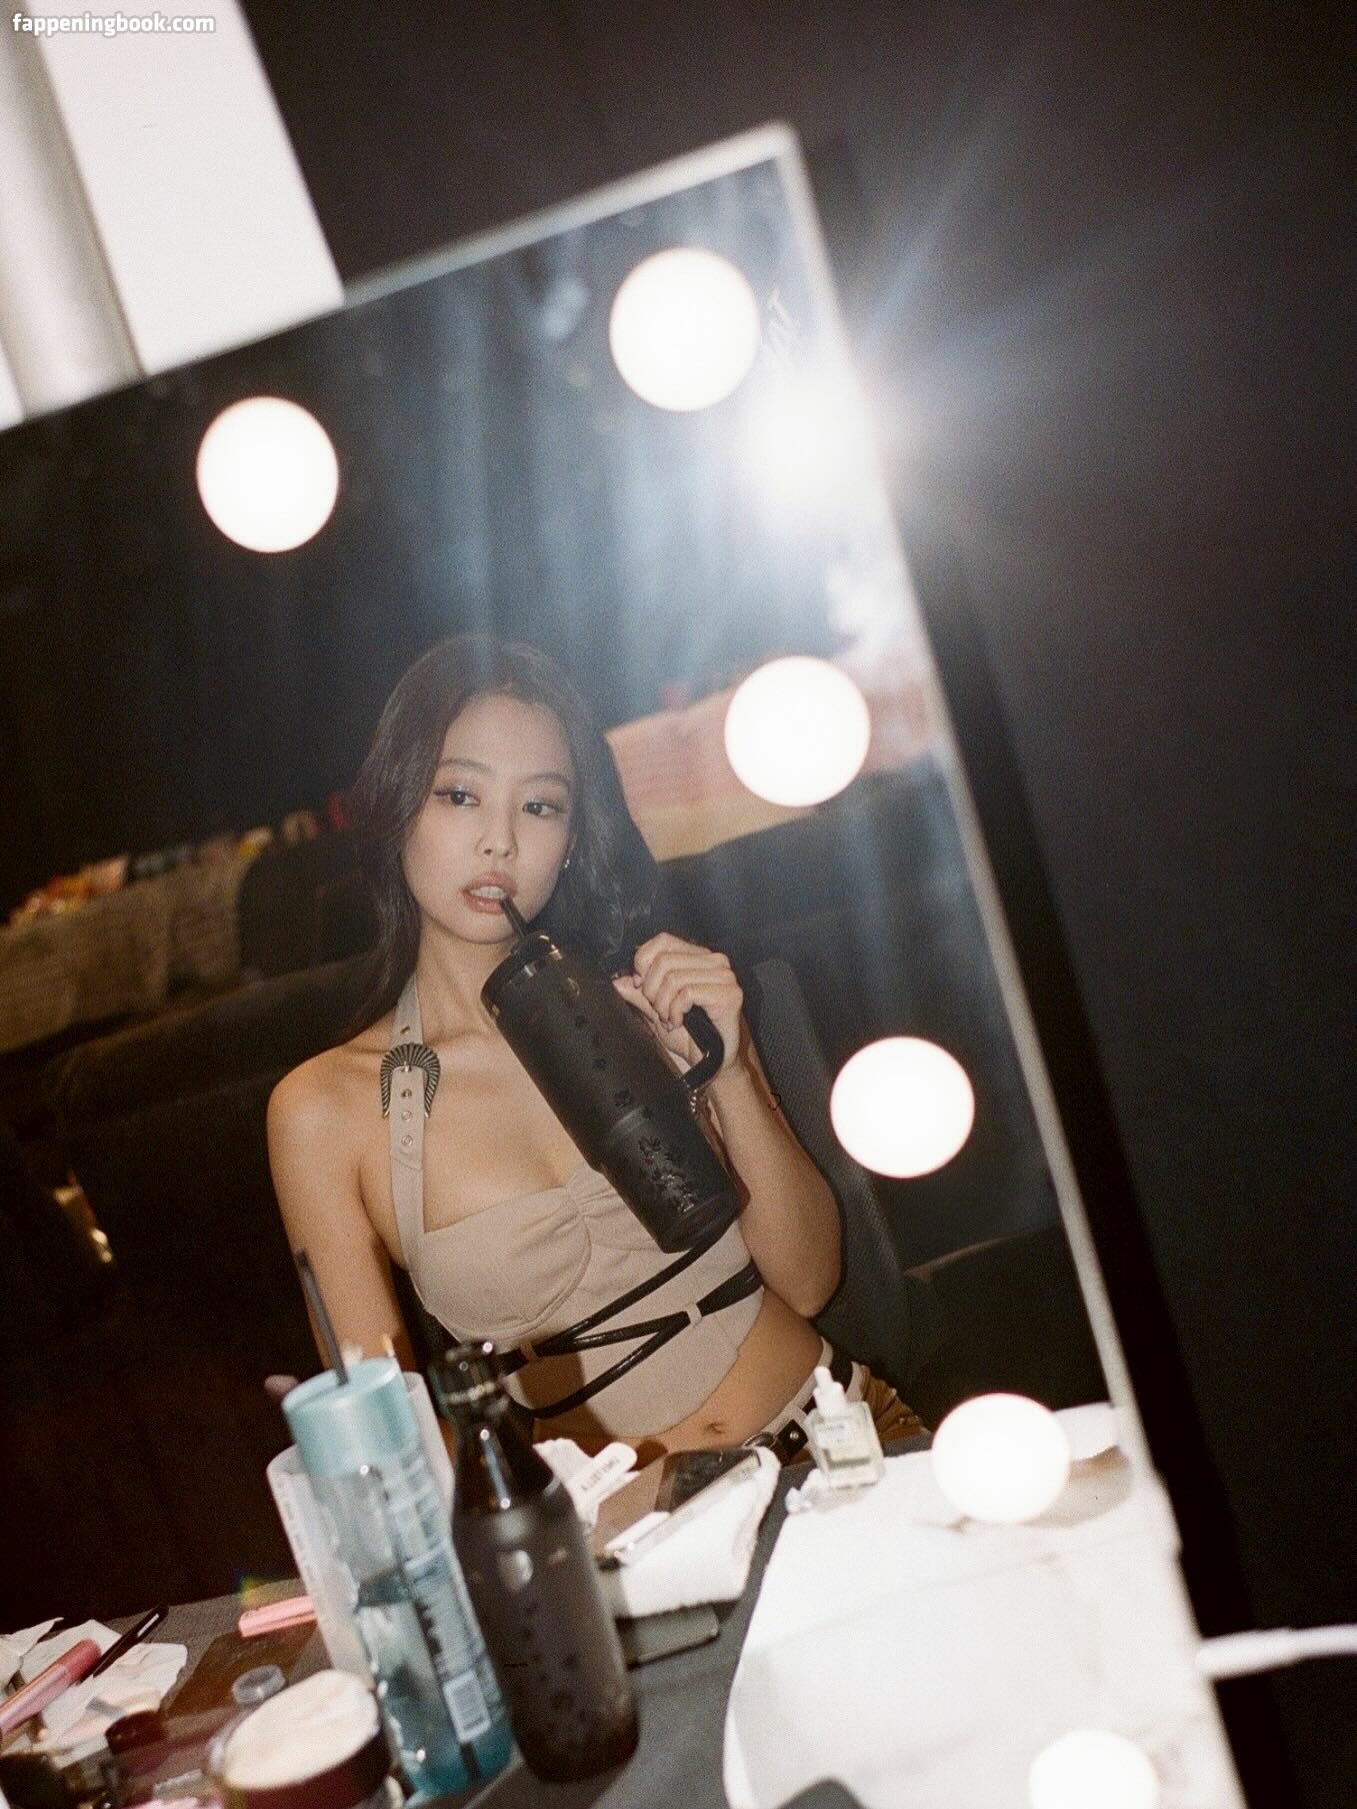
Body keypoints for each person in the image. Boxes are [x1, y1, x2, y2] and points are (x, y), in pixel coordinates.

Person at [268, 635, 922, 1462]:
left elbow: (809, 1279)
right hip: (628, 1526)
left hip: (844, 1440)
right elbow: (395, 1446)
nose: (499, 841)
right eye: (460, 794)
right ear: (398, 807)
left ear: (573, 836)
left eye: (540, 806)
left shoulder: (644, 1003)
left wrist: (733, 1069)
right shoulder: (326, 1110)